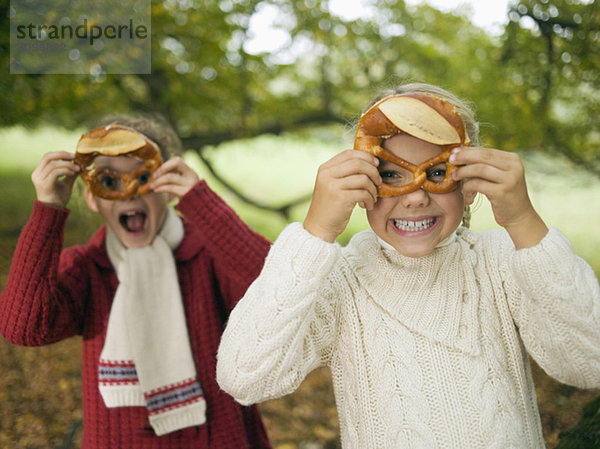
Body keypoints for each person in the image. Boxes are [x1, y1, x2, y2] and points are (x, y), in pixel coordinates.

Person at [216, 83, 600, 448]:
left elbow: (589, 363)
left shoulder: (501, 261)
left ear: (468, 183)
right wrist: (315, 232)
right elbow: (245, 377)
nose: (415, 197)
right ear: (360, 185)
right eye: (389, 175)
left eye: (436, 174)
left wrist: (523, 222)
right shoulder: (341, 282)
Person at [0, 115, 272, 449]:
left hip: (218, 437)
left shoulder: (208, 254)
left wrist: (202, 203)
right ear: (91, 198)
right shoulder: (88, 268)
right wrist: (48, 208)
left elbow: (277, 291)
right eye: (108, 182)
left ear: (169, 188)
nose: (128, 195)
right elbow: (24, 327)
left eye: (143, 178)